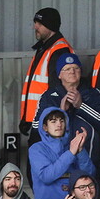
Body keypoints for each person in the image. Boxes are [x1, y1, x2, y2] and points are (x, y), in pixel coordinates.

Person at [30, 53, 100, 167]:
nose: (72, 71)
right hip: (57, 161)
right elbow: (35, 127)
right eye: (67, 69)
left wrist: (81, 106)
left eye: (76, 68)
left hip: (89, 159)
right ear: (59, 75)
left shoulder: (93, 93)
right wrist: (60, 112)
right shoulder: (48, 96)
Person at [20, 7, 74, 136]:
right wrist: (26, 119)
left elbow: (57, 90)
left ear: (50, 26)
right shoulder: (44, 49)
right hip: (40, 120)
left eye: (39, 23)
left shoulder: (59, 50)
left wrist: (51, 122)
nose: (35, 27)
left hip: (47, 123)